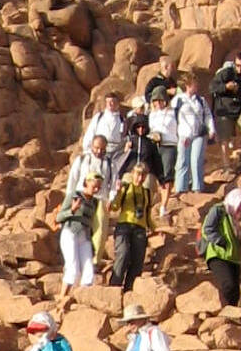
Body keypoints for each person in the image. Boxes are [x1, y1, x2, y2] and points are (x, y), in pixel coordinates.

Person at [106, 160, 156, 290]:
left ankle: (129, 289)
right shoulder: (126, 188)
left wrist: (154, 229)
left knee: (137, 261)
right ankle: (114, 287)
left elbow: (147, 213)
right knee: (122, 254)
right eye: (137, 174)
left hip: (140, 228)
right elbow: (116, 206)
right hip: (124, 225)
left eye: (143, 175)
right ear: (132, 174)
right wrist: (112, 201)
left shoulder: (147, 193)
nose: (140, 178)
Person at [201, 186, 241, 307]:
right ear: (235, 200)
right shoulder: (218, 210)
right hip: (218, 255)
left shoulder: (232, 218)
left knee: (235, 293)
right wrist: (220, 241)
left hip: (232, 258)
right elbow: (207, 228)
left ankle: (231, 319)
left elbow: (230, 236)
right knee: (228, 285)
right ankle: (225, 313)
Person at [55, 172, 102, 289]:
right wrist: (72, 210)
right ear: (86, 183)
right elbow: (59, 217)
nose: (96, 190)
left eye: (98, 188)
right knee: (73, 267)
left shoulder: (95, 202)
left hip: (85, 236)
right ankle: (62, 298)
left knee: (88, 270)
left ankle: (84, 296)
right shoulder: (74, 195)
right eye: (94, 187)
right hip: (70, 232)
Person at [172, 75, 215, 196]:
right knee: (182, 160)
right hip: (184, 134)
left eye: (196, 85)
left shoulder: (200, 100)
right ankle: (181, 187)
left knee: (196, 160)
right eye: (193, 85)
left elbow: (207, 115)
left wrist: (211, 129)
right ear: (187, 85)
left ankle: (197, 187)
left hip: (199, 133)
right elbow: (172, 115)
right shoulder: (179, 100)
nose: (195, 87)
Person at [211, 52, 241, 149]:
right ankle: (226, 163)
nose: (239, 69)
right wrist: (225, 87)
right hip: (225, 109)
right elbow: (212, 87)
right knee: (224, 139)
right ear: (234, 63)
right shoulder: (226, 73)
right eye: (237, 65)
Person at [146, 88, 179, 193]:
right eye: (156, 100)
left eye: (161, 100)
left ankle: (166, 199)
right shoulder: (152, 114)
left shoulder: (174, 112)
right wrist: (153, 135)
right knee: (155, 172)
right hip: (155, 145)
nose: (158, 103)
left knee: (167, 172)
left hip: (169, 145)